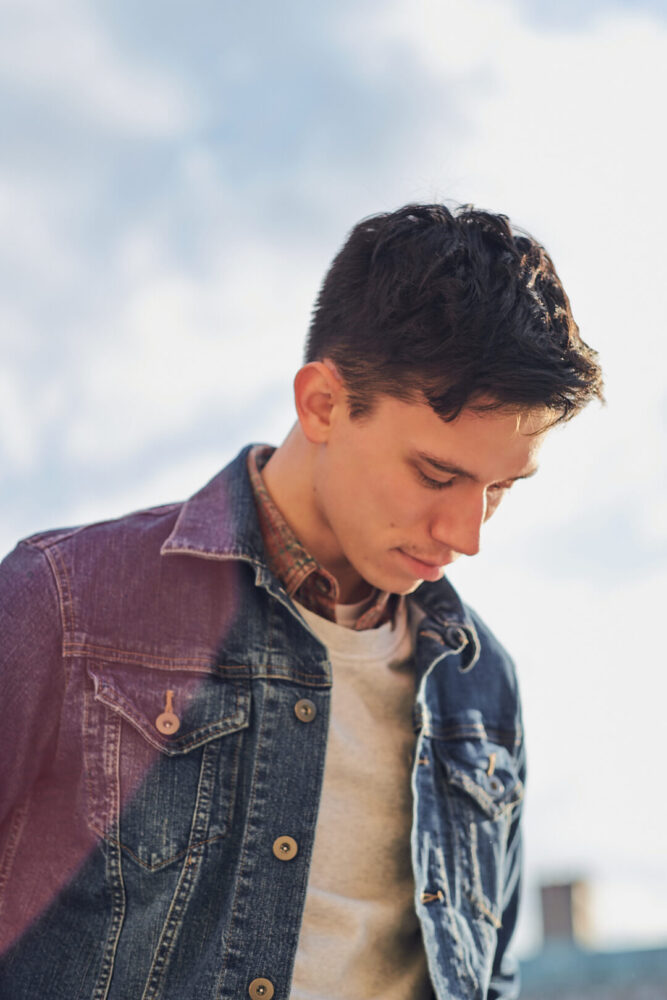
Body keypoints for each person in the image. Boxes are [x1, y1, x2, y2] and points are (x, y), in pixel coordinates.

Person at [0, 204, 603, 1000]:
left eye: (500, 490)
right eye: (435, 474)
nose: (466, 533)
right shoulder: (66, 605)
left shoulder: (481, 684)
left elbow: (486, 977)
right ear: (321, 403)